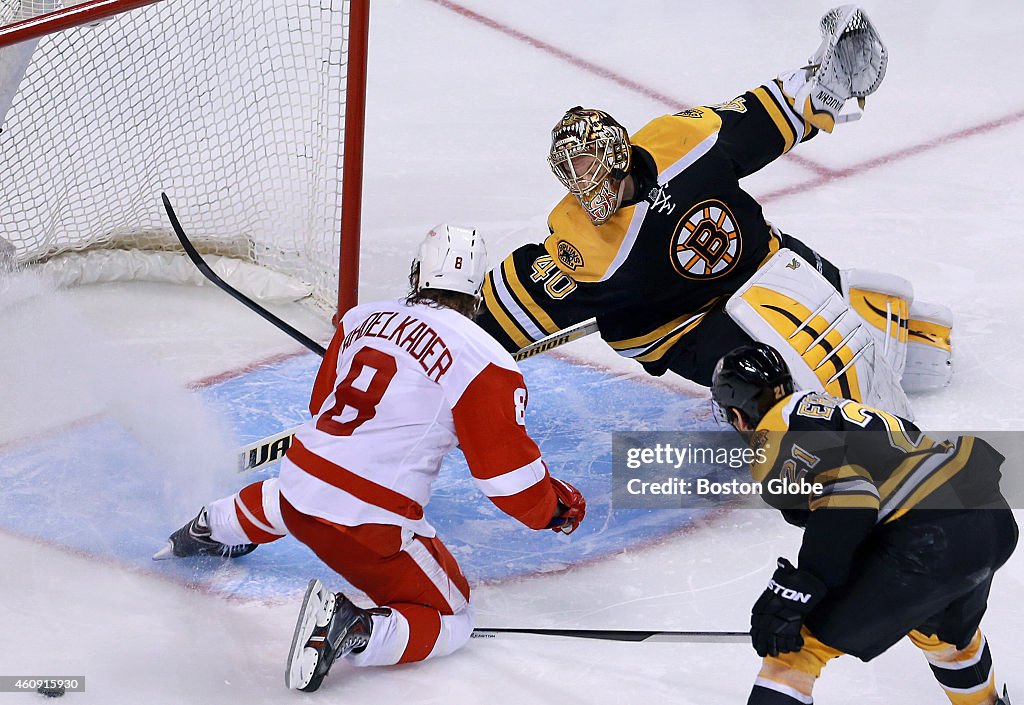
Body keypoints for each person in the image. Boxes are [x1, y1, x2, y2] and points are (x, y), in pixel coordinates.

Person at [154, 224, 587, 693]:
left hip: (297, 486)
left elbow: (323, 407)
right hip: (367, 525)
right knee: (455, 615)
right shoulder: (486, 358)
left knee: (296, 494)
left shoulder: (361, 319)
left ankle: (208, 526)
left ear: (418, 274)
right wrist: (555, 508)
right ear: (476, 293)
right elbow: (507, 481)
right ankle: (357, 628)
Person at [475, 5, 953, 419]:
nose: (585, 185)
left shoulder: (682, 139)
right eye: (573, 173)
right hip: (686, 327)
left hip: (765, 262)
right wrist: (446, 319)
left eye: (592, 167)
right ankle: (750, 411)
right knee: (780, 382)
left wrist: (822, 89)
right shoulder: (577, 246)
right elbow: (492, 315)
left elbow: (765, 116)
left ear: (618, 154)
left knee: (902, 342)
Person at [710, 342, 1017, 705]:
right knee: (943, 634)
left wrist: (805, 584)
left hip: (929, 539)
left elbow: (850, 498)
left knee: (794, 653)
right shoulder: (829, 406)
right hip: (986, 517)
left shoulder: (776, 438)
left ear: (739, 414)